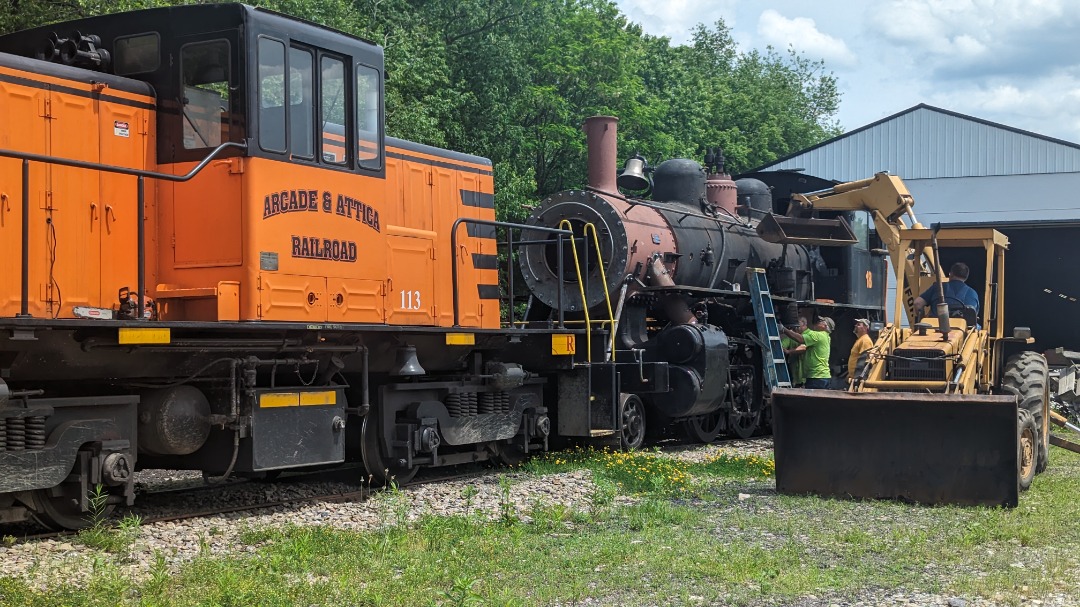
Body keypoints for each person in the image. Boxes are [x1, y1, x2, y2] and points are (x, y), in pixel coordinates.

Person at [781, 316, 833, 389]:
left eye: (820, 321)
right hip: (822, 376)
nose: (817, 322)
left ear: (825, 326)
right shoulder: (826, 336)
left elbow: (801, 339)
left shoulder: (817, 335)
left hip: (816, 376)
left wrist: (784, 330)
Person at [914, 262, 979, 317]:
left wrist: (923, 321)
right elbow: (973, 315)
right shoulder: (972, 293)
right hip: (962, 330)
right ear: (966, 277)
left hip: (933, 328)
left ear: (950, 274)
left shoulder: (938, 287)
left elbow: (917, 303)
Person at [781, 317, 808, 387]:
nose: (796, 328)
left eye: (798, 326)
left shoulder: (810, 335)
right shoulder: (791, 337)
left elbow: (804, 347)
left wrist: (789, 351)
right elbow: (782, 345)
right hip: (796, 373)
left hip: (809, 374)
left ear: (804, 325)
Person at [847, 318, 873, 383]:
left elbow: (864, 361)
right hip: (854, 378)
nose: (856, 326)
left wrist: (858, 378)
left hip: (857, 379)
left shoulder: (865, 340)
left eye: (858, 324)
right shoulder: (860, 340)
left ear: (865, 328)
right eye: (856, 324)